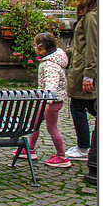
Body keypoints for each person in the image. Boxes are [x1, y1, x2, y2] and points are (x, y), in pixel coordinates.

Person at [17, 32, 70, 167]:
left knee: (52, 128)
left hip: (50, 102)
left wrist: (47, 102)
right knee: (35, 123)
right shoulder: (51, 60)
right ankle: (30, 148)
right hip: (46, 100)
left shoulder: (50, 65)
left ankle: (61, 156)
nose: (33, 47)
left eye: (35, 45)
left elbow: (51, 86)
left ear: (42, 49)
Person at [65, 0, 97, 161]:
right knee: (88, 107)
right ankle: (85, 145)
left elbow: (93, 48)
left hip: (84, 70)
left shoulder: (92, 17)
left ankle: (84, 147)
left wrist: (89, 76)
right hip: (81, 68)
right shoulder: (89, 14)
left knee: (79, 107)